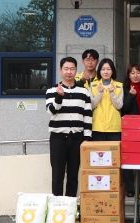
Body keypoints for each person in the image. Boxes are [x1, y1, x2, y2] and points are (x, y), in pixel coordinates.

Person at [45, 57, 92, 197]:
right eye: (66, 69)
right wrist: (59, 97)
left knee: (73, 175)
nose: (69, 72)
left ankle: (70, 205)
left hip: (77, 139)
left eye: (72, 69)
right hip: (58, 138)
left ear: (76, 71)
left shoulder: (84, 92)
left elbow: (87, 116)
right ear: (61, 70)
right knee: (57, 175)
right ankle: (57, 206)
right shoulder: (52, 90)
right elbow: (51, 111)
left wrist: (87, 138)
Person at [121, 64, 140, 198]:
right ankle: (130, 188)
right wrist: (131, 95)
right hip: (129, 129)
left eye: (138, 72)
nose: (135, 75)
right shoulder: (124, 89)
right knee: (128, 158)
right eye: (132, 73)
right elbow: (123, 109)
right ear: (128, 75)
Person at [88, 58, 123, 141]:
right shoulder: (93, 85)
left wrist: (112, 93)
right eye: (103, 69)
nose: (106, 72)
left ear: (112, 71)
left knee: (114, 149)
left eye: (108, 69)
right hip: (97, 126)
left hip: (114, 126)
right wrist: (99, 93)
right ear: (99, 71)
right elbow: (91, 106)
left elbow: (119, 106)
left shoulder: (119, 85)